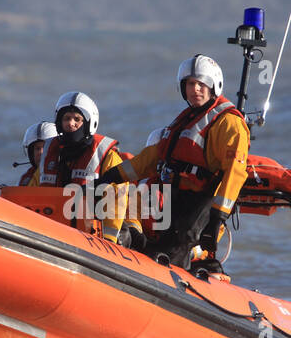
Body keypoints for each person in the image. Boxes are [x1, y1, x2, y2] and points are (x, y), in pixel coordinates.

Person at [99, 54, 250, 272]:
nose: (195, 89)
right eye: (190, 84)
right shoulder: (187, 119)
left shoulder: (228, 122)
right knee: (160, 247)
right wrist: (112, 176)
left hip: (203, 201)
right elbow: (153, 157)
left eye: (200, 84)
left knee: (179, 246)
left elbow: (235, 173)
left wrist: (218, 217)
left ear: (213, 86)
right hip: (178, 198)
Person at [37, 92, 128, 244]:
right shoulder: (50, 153)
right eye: (66, 118)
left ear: (88, 123)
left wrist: (109, 239)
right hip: (54, 228)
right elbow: (34, 189)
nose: (70, 124)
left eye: (77, 119)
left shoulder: (106, 156)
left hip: (93, 235)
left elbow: (117, 197)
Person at [17, 120, 55, 186]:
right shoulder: (26, 178)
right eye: (37, 148)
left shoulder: (64, 174)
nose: (40, 152)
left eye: (45, 147)